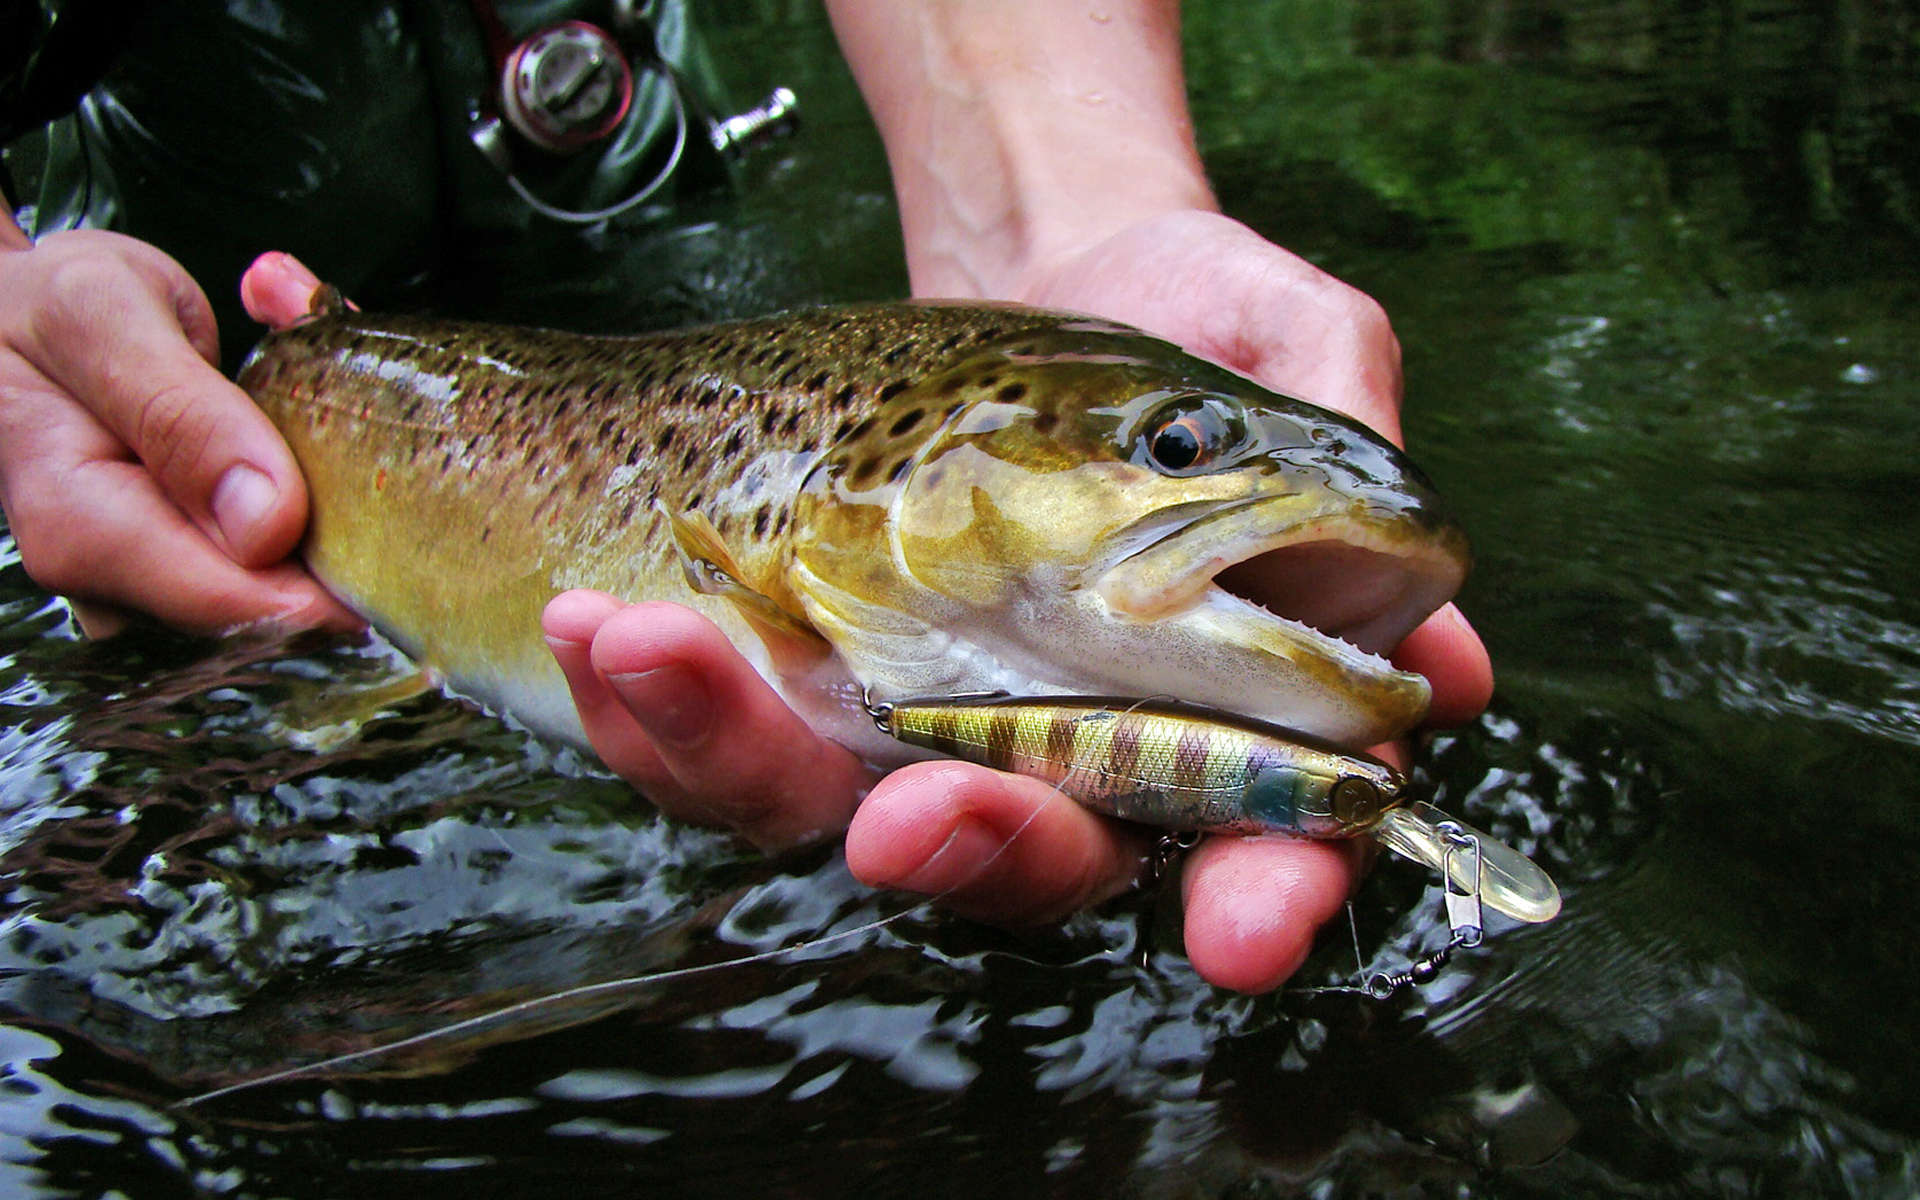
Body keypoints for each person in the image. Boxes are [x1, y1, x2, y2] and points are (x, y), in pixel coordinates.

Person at [0, 0, 1491, 994]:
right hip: (128, 229)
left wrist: (1078, 206)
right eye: (1174, 447)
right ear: (849, 487)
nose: (1197, 469)